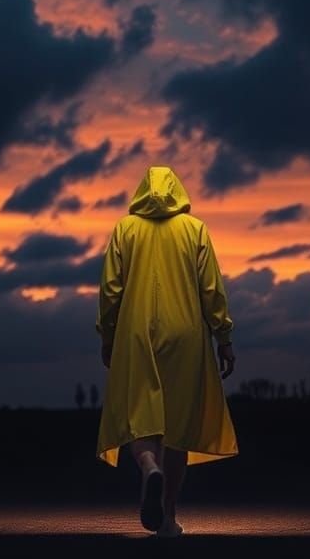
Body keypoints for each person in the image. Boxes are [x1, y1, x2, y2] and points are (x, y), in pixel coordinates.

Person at [95, 165, 239, 537]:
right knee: (178, 425)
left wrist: (108, 336)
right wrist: (223, 337)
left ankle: (149, 468)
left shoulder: (125, 229)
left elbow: (110, 290)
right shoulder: (195, 230)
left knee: (138, 414)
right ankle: (169, 518)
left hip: (135, 332)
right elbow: (211, 289)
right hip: (186, 333)